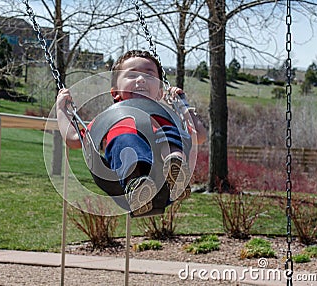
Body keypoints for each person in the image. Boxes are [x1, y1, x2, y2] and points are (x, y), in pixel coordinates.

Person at [57, 50, 206, 217]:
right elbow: (74, 139)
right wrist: (61, 109)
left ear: (160, 93)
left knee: (169, 133)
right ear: (115, 92)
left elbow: (199, 135)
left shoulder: (165, 115)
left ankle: (176, 169)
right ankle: (137, 186)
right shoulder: (110, 119)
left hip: (162, 172)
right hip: (132, 176)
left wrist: (183, 105)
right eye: (132, 75)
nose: (141, 79)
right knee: (125, 139)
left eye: (149, 76)